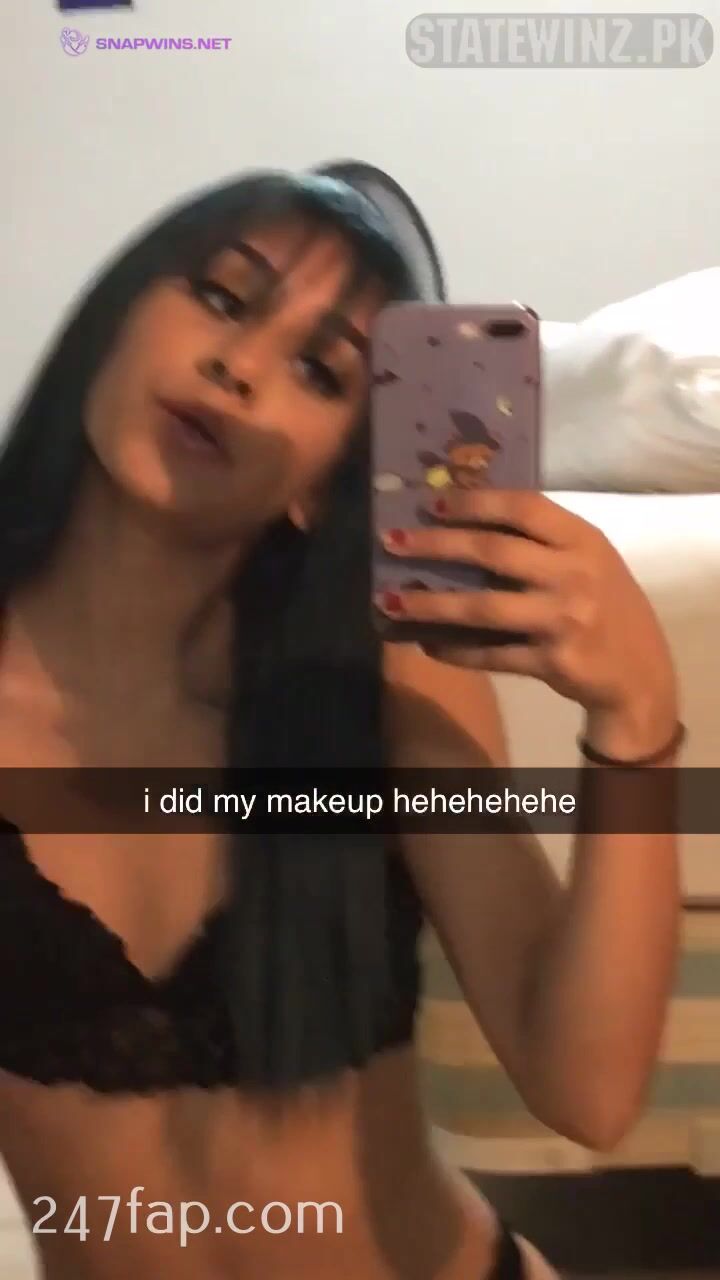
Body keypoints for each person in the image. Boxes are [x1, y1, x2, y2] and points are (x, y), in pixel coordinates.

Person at [0, 162, 681, 1280]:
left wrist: (638, 719)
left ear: (328, 479)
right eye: (223, 296)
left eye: (320, 370)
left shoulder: (384, 686)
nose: (239, 367)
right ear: (112, 316)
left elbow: (589, 1089)